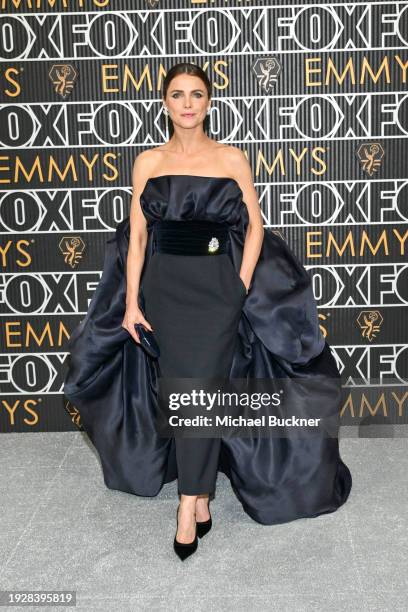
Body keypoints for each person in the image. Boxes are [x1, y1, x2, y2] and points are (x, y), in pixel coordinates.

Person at [63, 62, 352, 561]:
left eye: (197, 94)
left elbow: (256, 227)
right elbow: (136, 236)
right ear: (165, 103)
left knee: (202, 389)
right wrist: (132, 301)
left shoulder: (232, 158)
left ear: (210, 102)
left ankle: (186, 504)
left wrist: (238, 287)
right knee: (183, 390)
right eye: (178, 95)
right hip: (164, 287)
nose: (188, 103)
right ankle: (197, 501)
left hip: (218, 287)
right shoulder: (147, 162)